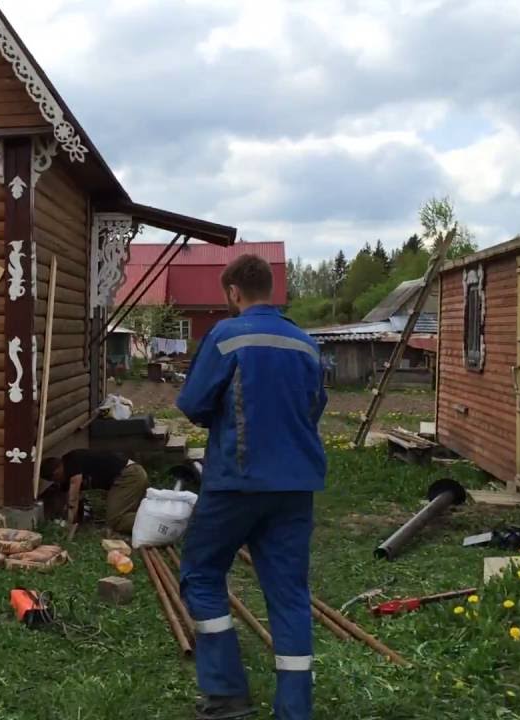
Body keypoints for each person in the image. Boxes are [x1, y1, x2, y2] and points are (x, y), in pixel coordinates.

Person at [175, 254, 327, 720]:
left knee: (201, 575)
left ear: (234, 293)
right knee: (289, 593)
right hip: (295, 485)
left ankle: (226, 694)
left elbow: (194, 404)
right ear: (271, 291)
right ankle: (294, 709)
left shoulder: (226, 336)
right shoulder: (306, 344)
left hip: (236, 482)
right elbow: (313, 407)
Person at [39, 449, 149, 534]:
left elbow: (73, 499)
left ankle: (155, 522)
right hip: (128, 476)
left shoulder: (72, 461)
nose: (57, 483)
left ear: (56, 472)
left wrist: (69, 524)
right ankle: (152, 516)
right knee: (123, 513)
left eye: (53, 479)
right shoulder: (68, 475)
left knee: (115, 520)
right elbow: (74, 500)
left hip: (129, 476)